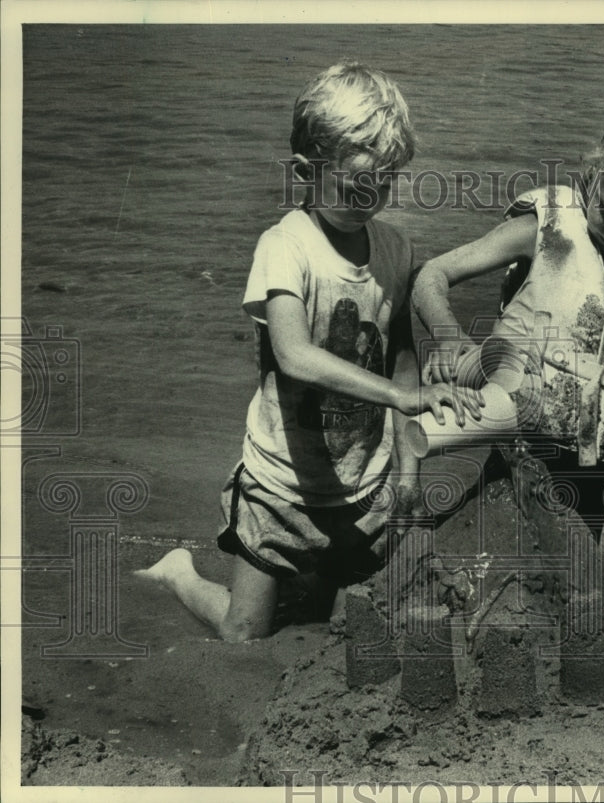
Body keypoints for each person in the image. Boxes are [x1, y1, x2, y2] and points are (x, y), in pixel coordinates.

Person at [137, 62, 482, 642]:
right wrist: (401, 395)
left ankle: (317, 575)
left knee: (354, 613)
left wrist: (408, 469)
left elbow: (401, 355)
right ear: (305, 172)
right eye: (354, 187)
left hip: (362, 482)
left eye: (385, 185)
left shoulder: (394, 248)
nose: (369, 201)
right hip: (281, 483)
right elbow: (294, 354)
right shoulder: (285, 247)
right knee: (243, 633)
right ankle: (178, 573)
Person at [411, 104, 604, 546]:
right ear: (597, 168)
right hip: (526, 454)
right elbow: (430, 276)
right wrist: (448, 336)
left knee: (602, 594)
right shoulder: (542, 227)